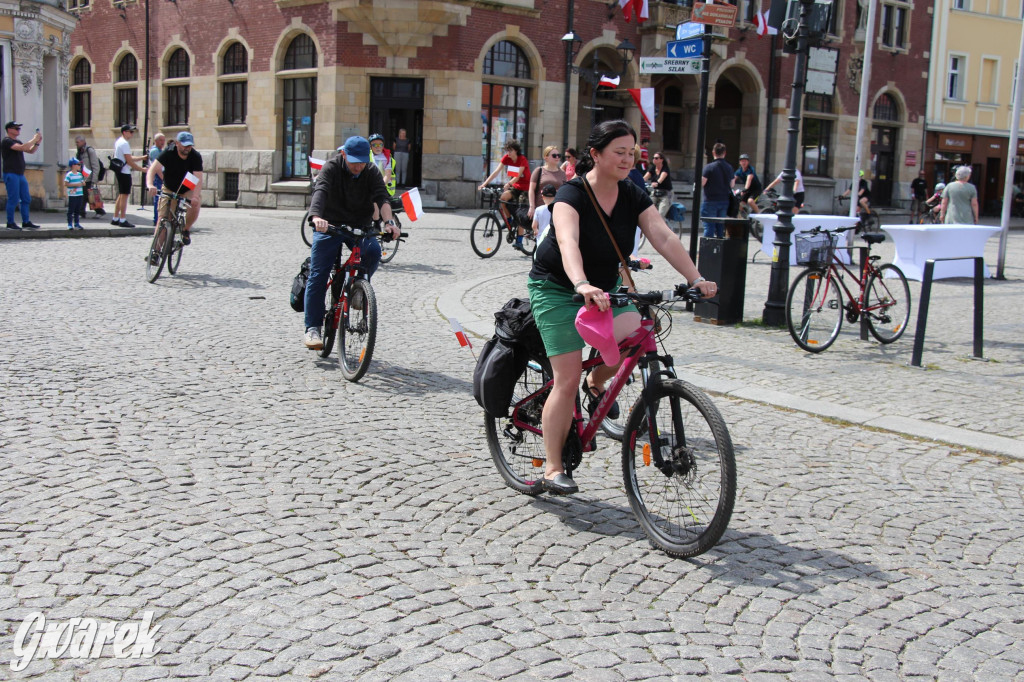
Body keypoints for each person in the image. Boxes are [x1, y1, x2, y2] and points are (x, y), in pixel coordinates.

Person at [527, 119, 716, 495]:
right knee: (564, 379)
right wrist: (581, 283)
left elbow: (661, 234)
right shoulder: (572, 195)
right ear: (595, 154)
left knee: (640, 333)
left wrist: (696, 277)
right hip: (558, 288)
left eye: (633, 153)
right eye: (620, 152)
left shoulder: (632, 193)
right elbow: (567, 242)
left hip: (606, 287)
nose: (628, 159)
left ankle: (596, 383)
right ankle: (551, 466)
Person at [302, 136, 400, 350]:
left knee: (373, 251)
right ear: (344, 155)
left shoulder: (371, 171)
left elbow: (382, 198)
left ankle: (358, 288)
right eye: (354, 161)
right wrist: (316, 217)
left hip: (359, 225)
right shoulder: (331, 168)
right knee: (319, 273)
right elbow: (321, 191)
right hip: (329, 224)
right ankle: (313, 328)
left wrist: (389, 222)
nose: (358, 166)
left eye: (362, 161)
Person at [146, 131, 204, 253]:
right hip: (169, 186)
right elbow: (152, 169)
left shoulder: (195, 156)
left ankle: (186, 229)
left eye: (189, 146)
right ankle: (155, 252)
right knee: (163, 218)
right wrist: (150, 185)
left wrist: (195, 196)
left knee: (196, 203)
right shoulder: (168, 152)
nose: (187, 148)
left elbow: (198, 177)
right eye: (184, 145)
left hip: (187, 185)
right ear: (177, 143)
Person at [479, 139, 531, 225]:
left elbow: (517, 176)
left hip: (525, 187)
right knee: (503, 199)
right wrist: (484, 184)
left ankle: (520, 237)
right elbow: (496, 172)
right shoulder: (507, 158)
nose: (508, 153)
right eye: (507, 150)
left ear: (516, 150)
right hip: (515, 186)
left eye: (510, 150)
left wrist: (508, 184)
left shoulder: (522, 159)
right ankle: (509, 220)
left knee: (521, 212)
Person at [2, 121, 43, 230]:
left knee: (26, 199)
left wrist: (37, 143)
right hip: (11, 174)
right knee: (13, 199)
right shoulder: (7, 141)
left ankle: (26, 221)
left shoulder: (17, 141)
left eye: (19, 128)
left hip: (20, 174)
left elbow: (30, 150)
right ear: (9, 130)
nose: (18, 130)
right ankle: (10, 222)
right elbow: (22, 148)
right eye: (16, 128)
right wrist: (34, 139)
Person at [112, 124, 147, 228]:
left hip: (120, 170)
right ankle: (122, 219)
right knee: (124, 196)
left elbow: (128, 157)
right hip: (124, 171)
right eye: (130, 132)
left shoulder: (119, 141)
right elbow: (129, 161)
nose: (132, 134)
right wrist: (141, 169)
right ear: (124, 132)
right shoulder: (124, 144)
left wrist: (141, 158)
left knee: (121, 195)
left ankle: (115, 218)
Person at [700, 142, 734, 237]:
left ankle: (708, 249)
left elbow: (702, 182)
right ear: (725, 153)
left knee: (709, 226)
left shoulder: (709, 167)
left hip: (710, 200)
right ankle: (719, 249)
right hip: (724, 200)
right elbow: (732, 184)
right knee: (720, 227)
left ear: (713, 152)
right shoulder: (729, 167)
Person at [527, 145, 566, 227]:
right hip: (541, 209)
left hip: (557, 209)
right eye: (554, 155)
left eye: (559, 155)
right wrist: (532, 206)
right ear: (546, 157)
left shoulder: (562, 173)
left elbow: (565, 190)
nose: (557, 157)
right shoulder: (539, 170)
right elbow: (531, 190)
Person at [74, 135, 105, 220]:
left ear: (83, 142)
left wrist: (94, 179)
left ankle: (98, 211)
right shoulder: (79, 151)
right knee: (85, 196)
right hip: (82, 177)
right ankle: (84, 212)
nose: (76, 144)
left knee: (87, 196)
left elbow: (95, 165)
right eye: (76, 142)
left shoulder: (89, 150)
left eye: (78, 142)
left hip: (89, 178)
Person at [644, 151, 674, 218]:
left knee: (660, 214)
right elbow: (645, 177)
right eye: (653, 158)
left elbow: (661, 178)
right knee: (647, 209)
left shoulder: (665, 168)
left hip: (665, 194)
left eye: (656, 158)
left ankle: (661, 226)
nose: (654, 159)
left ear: (661, 159)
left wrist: (657, 183)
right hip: (655, 193)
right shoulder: (652, 168)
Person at [368, 133, 396, 198]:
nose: (378, 147)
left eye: (380, 144)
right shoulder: (367, 156)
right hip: (369, 189)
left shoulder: (387, 157)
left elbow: (387, 174)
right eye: (374, 145)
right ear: (370, 146)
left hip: (383, 188)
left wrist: (379, 187)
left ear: (383, 146)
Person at [148, 133, 167, 226]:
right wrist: (164, 179)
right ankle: (157, 220)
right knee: (158, 198)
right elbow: (157, 168)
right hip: (158, 177)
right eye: (160, 140)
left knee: (160, 198)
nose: (163, 142)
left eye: (163, 140)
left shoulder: (159, 150)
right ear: (155, 141)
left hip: (159, 176)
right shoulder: (155, 151)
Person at [64, 158, 85, 231]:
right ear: (73, 165)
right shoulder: (69, 174)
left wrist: (82, 183)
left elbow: (83, 183)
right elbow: (66, 183)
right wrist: (76, 184)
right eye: (78, 164)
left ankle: (77, 223)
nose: (80, 166)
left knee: (77, 210)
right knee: (71, 210)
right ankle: (69, 224)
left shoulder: (80, 174)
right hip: (72, 195)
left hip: (79, 194)